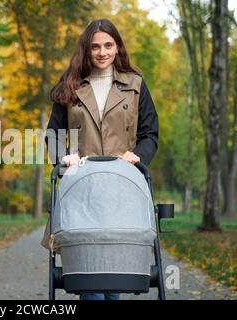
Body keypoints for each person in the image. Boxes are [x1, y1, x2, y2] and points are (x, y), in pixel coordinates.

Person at [43, 19, 159, 301]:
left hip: (123, 188)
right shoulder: (70, 86)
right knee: (90, 276)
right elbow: (53, 134)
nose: (102, 52)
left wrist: (138, 155)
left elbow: (150, 133)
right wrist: (63, 157)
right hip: (83, 188)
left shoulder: (135, 85)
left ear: (117, 47)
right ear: (87, 49)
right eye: (95, 46)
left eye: (108, 45)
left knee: (115, 271)